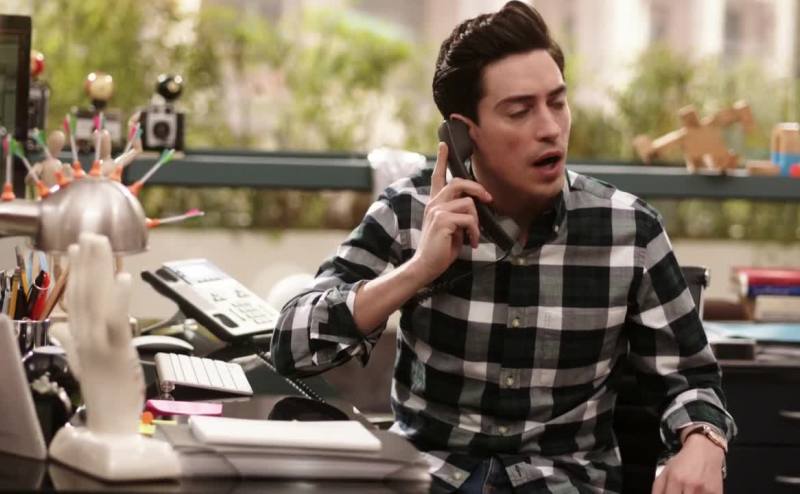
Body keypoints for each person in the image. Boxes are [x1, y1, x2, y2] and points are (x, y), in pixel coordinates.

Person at [271, 2, 736, 492]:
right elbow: (291, 346)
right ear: (464, 134)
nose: (550, 128)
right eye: (520, 111)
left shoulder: (631, 229)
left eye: (557, 103)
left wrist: (702, 442)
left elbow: (692, 380)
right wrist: (418, 270)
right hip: (431, 479)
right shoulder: (409, 213)